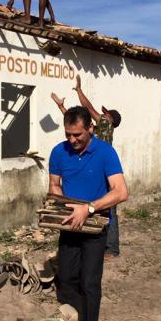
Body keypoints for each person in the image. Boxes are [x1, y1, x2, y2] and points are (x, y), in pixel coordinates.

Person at [48, 106, 128, 321]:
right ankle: (82, 306)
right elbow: (54, 185)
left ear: (90, 129)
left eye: (78, 135)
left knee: (90, 282)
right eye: (68, 134)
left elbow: (121, 192)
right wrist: (62, 204)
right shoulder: (59, 152)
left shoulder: (106, 153)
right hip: (70, 225)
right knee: (69, 277)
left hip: (95, 225)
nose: (72, 141)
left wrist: (89, 208)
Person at [51, 76, 123, 258]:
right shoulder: (90, 131)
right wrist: (61, 108)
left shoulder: (106, 124)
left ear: (110, 119)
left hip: (101, 167)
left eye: (105, 113)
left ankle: (111, 248)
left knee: (108, 211)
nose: (101, 114)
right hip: (91, 165)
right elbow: (77, 125)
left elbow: (88, 110)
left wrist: (79, 90)